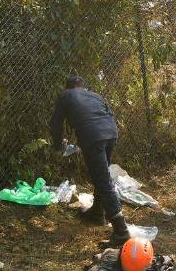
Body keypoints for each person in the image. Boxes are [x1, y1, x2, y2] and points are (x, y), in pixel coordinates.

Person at [50, 75, 130, 245]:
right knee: (102, 175)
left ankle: (121, 231)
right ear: (84, 87)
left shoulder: (66, 95)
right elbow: (107, 115)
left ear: (67, 87)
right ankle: (97, 213)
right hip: (111, 133)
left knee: (103, 181)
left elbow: (55, 124)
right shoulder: (95, 95)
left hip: (93, 136)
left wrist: (58, 146)